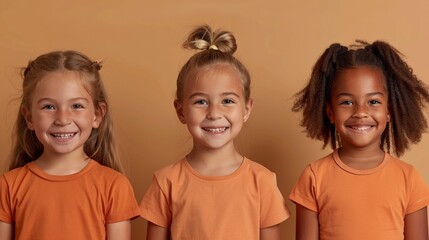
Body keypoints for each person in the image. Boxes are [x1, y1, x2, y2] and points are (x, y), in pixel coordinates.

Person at [140, 25, 290, 240]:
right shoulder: (166, 182)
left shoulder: (263, 181)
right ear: (181, 111)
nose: (214, 113)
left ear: (246, 109)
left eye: (227, 101)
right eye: (201, 101)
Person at [289, 40, 429, 240]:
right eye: (347, 102)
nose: (361, 112)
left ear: (389, 110)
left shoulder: (409, 179)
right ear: (330, 112)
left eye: (373, 102)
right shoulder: (314, 177)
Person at [0, 51, 141, 240]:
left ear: (97, 115)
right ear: (29, 117)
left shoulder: (114, 186)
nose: (62, 119)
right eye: (49, 107)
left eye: (76, 106)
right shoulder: (8, 186)